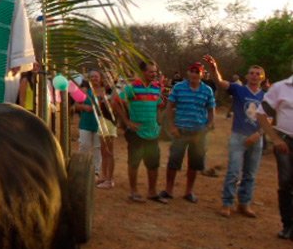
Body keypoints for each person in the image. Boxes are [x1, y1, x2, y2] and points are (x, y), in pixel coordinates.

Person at [205, 56, 266, 217]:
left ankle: (244, 204)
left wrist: (258, 134)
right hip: (238, 136)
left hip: (256, 138)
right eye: (251, 73)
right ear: (246, 76)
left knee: (250, 174)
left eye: (257, 73)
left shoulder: (266, 96)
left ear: (262, 77)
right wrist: (214, 68)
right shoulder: (239, 89)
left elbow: (271, 119)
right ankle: (227, 203)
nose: (254, 76)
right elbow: (220, 82)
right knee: (233, 171)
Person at [159, 62, 215, 204]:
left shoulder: (207, 90)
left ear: (202, 74)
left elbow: (211, 109)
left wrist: (208, 126)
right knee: (173, 161)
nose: (195, 74)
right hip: (180, 131)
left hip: (198, 132)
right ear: (188, 73)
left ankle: (189, 191)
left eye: (198, 72)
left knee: (194, 164)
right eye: (192, 71)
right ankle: (169, 190)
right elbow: (170, 107)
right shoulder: (178, 88)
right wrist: (172, 127)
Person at [113, 61, 165, 203]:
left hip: (152, 132)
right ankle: (133, 191)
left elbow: (159, 105)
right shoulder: (132, 88)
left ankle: (152, 192)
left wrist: (158, 123)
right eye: (150, 72)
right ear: (143, 72)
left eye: (155, 72)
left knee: (153, 164)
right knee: (134, 163)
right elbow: (116, 101)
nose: (153, 74)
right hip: (136, 132)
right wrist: (127, 122)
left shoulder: (156, 88)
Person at [256, 63, 293, 239]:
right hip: (285, 141)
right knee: (285, 182)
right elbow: (261, 114)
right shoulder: (281, 88)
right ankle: (288, 225)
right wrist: (275, 138)